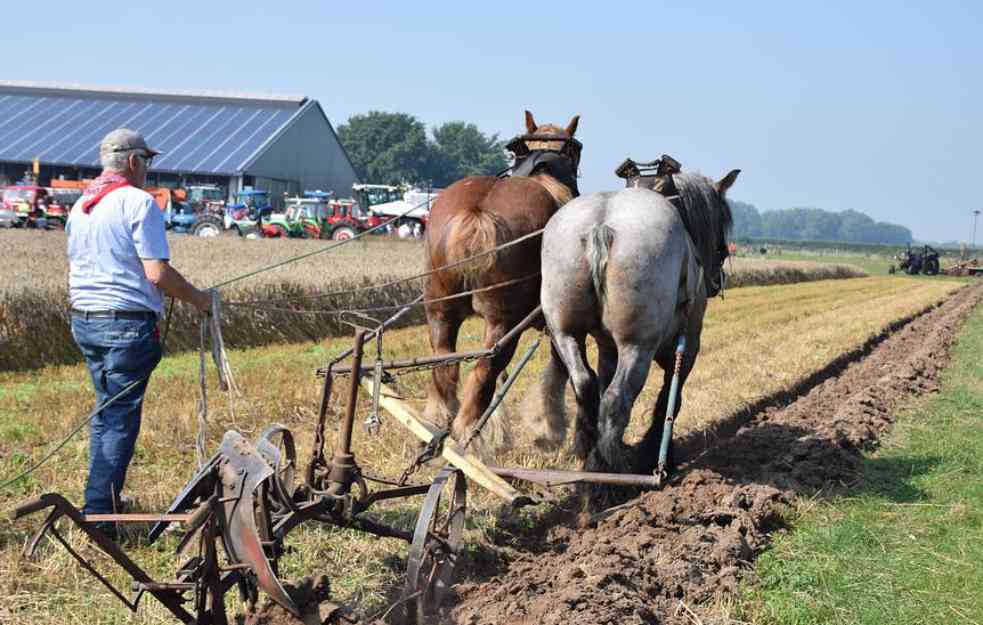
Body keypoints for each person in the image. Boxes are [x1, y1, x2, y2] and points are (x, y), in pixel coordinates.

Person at [67, 128, 212, 529]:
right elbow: (157, 273)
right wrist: (201, 300)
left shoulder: (82, 205)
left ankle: (102, 498)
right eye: (147, 161)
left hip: (85, 320)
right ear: (134, 162)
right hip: (125, 326)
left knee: (106, 412)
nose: (148, 169)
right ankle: (99, 516)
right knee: (117, 420)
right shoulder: (138, 203)